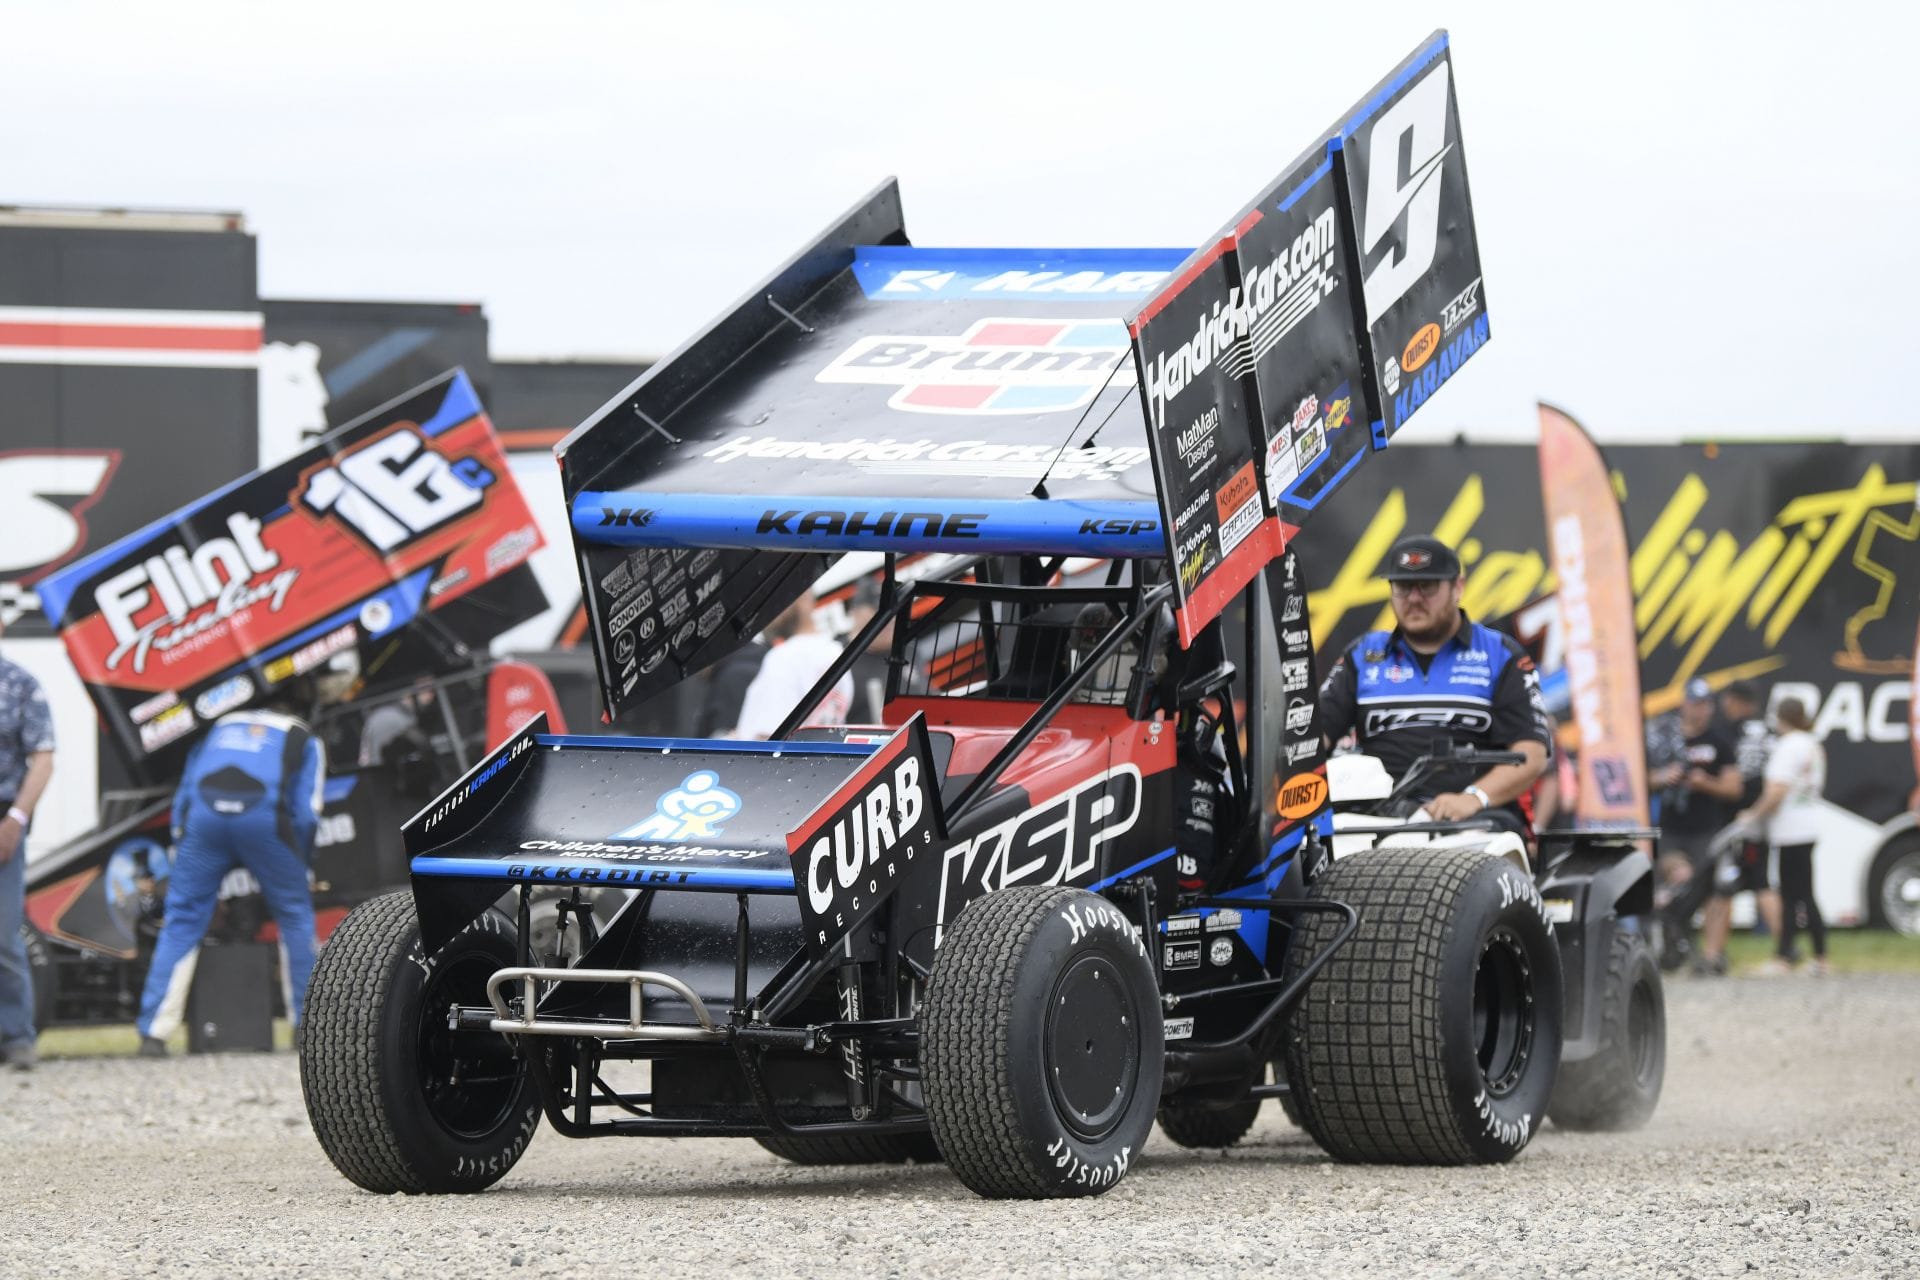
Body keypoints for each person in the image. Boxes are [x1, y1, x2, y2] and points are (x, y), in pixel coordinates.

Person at [1316, 535, 1551, 838]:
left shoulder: (1501, 654)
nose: (1414, 598)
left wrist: (1472, 798)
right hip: (1375, 820)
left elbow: (1531, 754)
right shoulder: (1363, 654)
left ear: (1458, 588)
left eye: (1427, 586)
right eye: (1402, 587)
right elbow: (1310, 742)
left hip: (1477, 823)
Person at [136, 689, 326, 1056]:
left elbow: (185, 794)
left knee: (182, 921)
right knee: (294, 916)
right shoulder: (305, 738)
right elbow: (307, 812)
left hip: (205, 823)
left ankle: (153, 1035)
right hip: (265, 823)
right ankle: (305, 1028)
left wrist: (182, 837)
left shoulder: (222, 726)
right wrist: (301, 861)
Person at [1650, 678, 1746, 974]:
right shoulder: (1662, 740)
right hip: (1672, 830)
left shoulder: (1719, 741)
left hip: (1707, 829)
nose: (1700, 710)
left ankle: (1712, 957)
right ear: (1684, 704)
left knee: (1718, 890)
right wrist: (1664, 777)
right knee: (1677, 878)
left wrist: (1707, 783)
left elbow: (1734, 788)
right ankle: (1670, 945)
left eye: (1706, 704)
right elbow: (1640, 780)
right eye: (1695, 703)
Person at [0, 618, 55, 1071]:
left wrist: (15, 819)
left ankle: (18, 1037)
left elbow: (43, 758)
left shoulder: (20, 685)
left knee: (3, 934)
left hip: (3, 820)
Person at [1739, 698, 1829, 975]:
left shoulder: (1788, 746)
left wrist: (1752, 814)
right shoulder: (1812, 744)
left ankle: (1791, 957)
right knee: (1802, 894)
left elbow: (1777, 790)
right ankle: (1809, 955)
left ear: (1779, 718)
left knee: (1793, 896)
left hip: (1790, 829)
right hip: (1809, 824)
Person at [732, 591, 853, 739]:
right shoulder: (835, 652)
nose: (765, 615)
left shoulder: (784, 658)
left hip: (778, 760)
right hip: (818, 758)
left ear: (802, 599)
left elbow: (766, 740)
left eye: (772, 603)